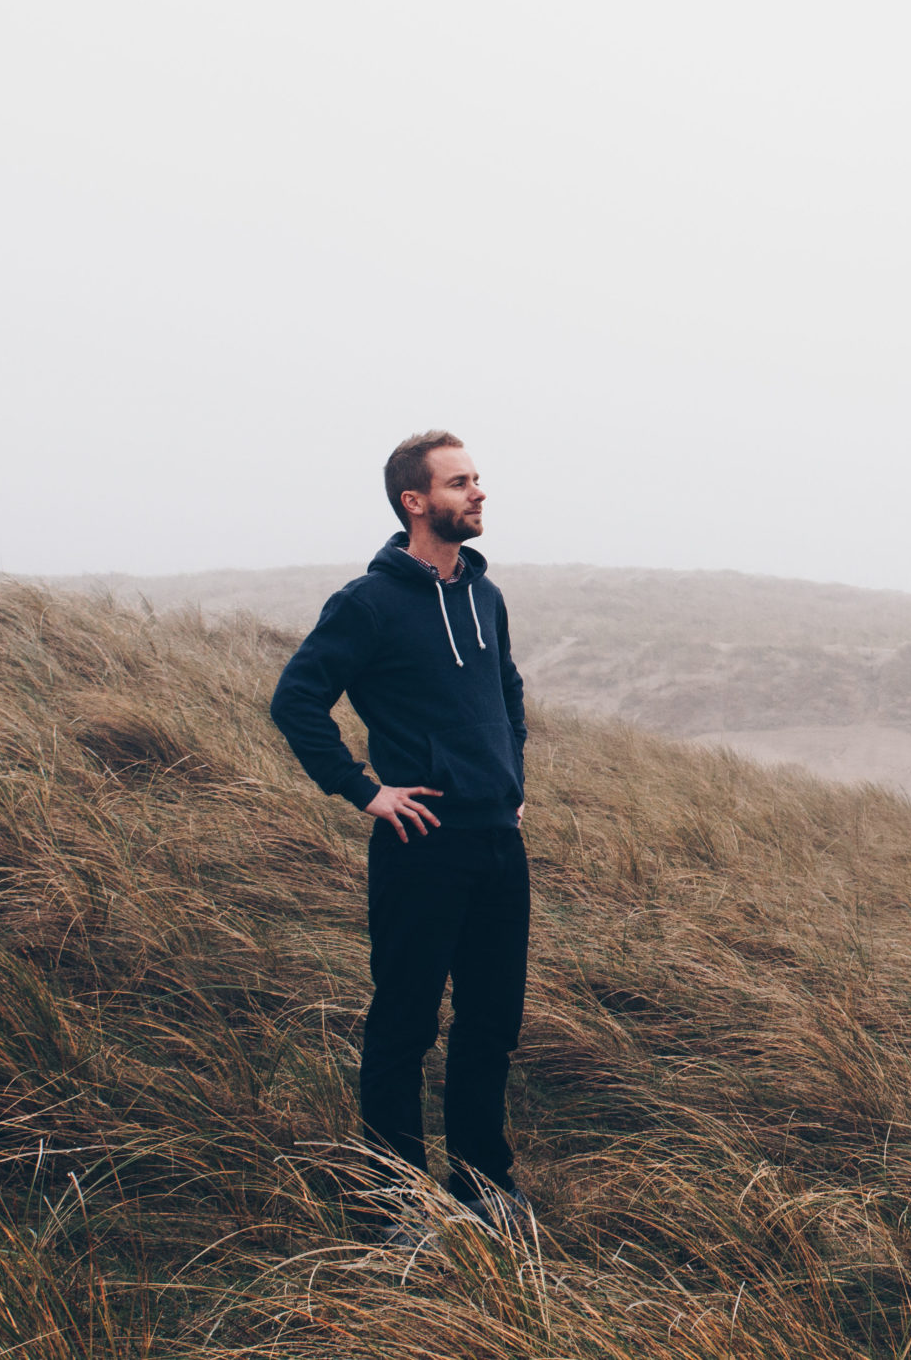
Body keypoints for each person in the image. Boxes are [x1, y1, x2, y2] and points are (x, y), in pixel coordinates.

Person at [269, 430, 533, 1229]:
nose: (478, 491)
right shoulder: (369, 603)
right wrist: (363, 789)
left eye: (477, 478)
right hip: (421, 846)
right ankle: (393, 1202)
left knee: (490, 1024)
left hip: (498, 843)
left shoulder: (485, 596)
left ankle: (483, 1184)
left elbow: (508, 691)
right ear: (415, 501)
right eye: (459, 482)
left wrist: (512, 782)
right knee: (405, 1025)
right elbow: (296, 699)